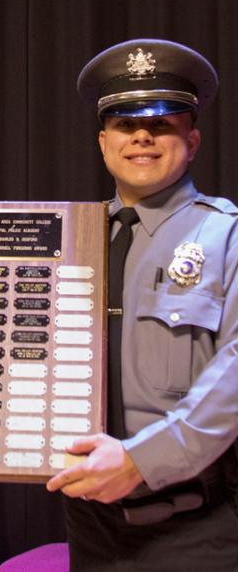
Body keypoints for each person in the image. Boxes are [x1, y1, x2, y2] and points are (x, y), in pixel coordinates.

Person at [47, 39, 238, 571]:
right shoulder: (68, 237)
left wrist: (140, 460)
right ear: (104, 142)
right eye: (125, 124)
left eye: (162, 123)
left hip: (197, 529)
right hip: (89, 526)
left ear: (193, 140)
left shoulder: (228, 237)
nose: (142, 137)